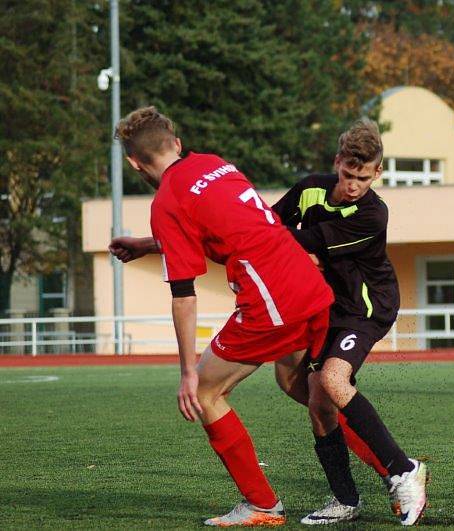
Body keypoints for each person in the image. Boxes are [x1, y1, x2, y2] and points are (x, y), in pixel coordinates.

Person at [108, 106, 335, 527]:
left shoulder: (167, 202)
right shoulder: (213, 164)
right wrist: (146, 244)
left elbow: (184, 297)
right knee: (305, 388)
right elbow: (223, 225)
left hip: (271, 301)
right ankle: (397, 470)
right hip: (306, 282)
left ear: (134, 162)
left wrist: (187, 372)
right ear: (176, 143)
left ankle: (262, 505)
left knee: (207, 392)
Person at [270, 118, 428, 526]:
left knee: (332, 382)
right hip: (325, 306)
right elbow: (271, 223)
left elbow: (299, 241)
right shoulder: (309, 189)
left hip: (366, 308)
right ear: (337, 162)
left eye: (363, 177)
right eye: (347, 174)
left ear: (378, 172)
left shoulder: (373, 215)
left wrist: (275, 245)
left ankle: (403, 470)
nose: (354, 184)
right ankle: (345, 499)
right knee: (319, 405)